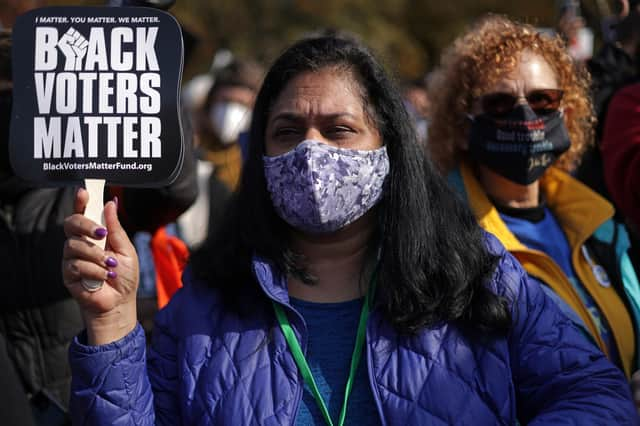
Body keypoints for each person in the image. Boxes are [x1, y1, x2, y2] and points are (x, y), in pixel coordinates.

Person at [63, 34, 637, 425]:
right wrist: (111, 328)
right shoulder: (205, 304)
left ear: (386, 148)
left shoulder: (477, 274)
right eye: (288, 131)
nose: (310, 151)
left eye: (339, 130)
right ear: (260, 154)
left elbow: (595, 394)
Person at [427, 15, 640, 384]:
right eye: (499, 103)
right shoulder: (441, 248)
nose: (525, 115)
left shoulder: (602, 228)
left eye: (543, 100)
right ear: (463, 128)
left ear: (567, 114)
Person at [0, 29, 197, 425]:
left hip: (92, 398)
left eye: (10, 96)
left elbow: (172, 186)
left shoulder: (92, 187)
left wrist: (143, 77)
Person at [177, 58, 264, 250]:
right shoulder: (185, 156)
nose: (231, 112)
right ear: (209, 104)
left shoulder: (260, 163)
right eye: (225, 101)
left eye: (241, 104)